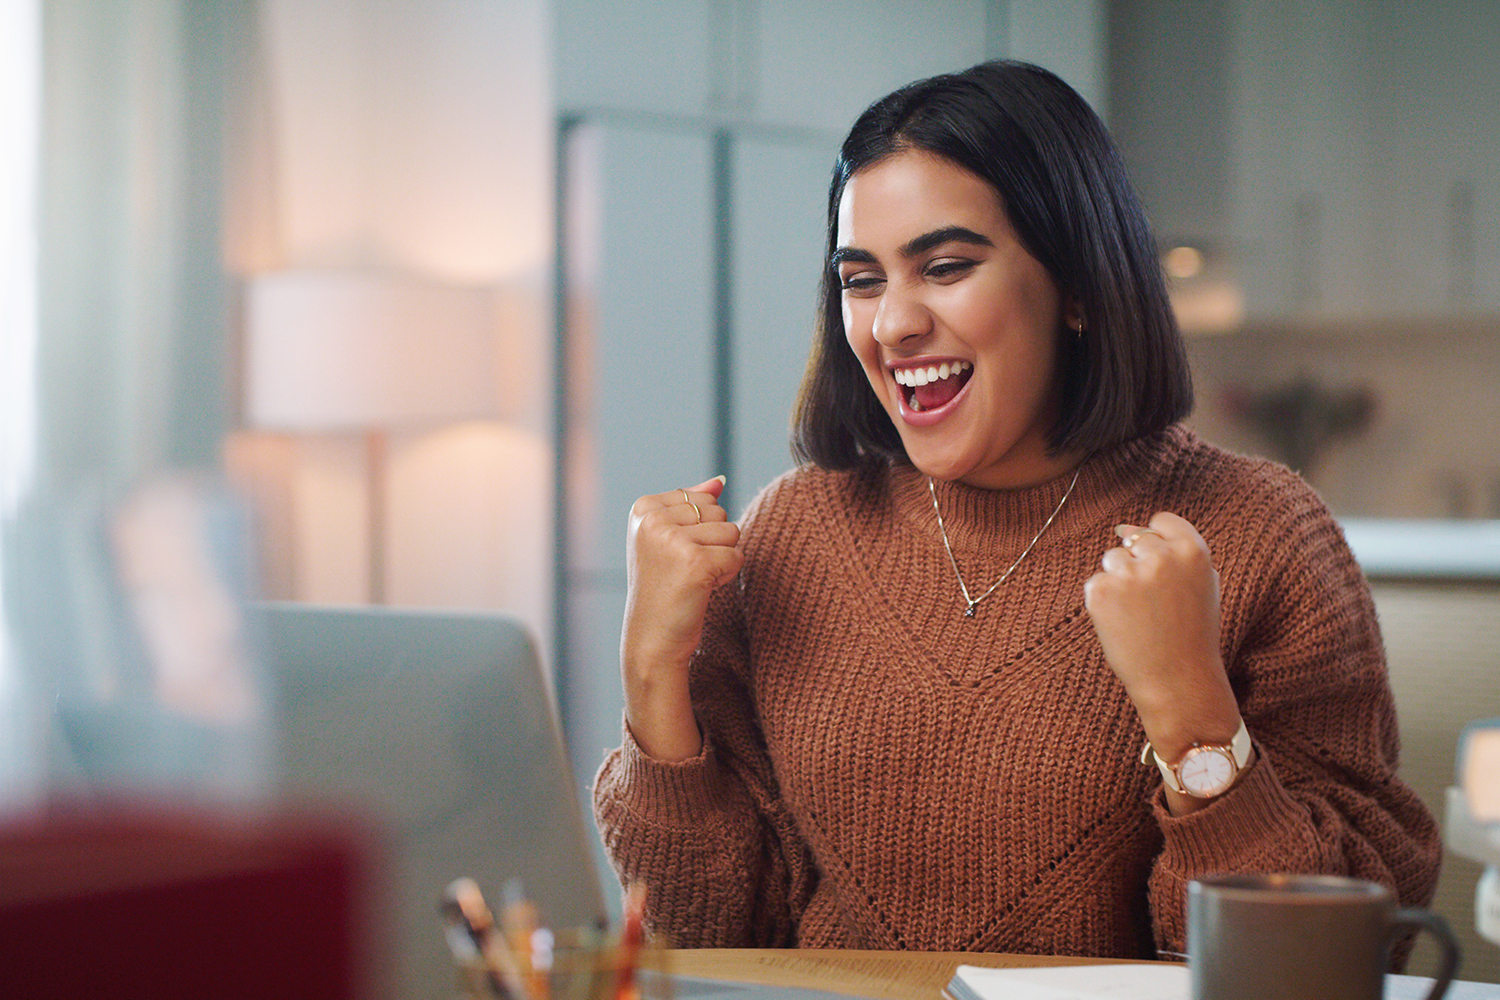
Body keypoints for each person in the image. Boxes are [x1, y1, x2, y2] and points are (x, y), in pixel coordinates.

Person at [592, 60, 1440, 961]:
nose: (892, 325)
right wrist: (651, 670)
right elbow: (706, 935)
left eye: (946, 266)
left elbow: (1336, 959)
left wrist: (1191, 709)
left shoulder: (1263, 532)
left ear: (1076, 285)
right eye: (861, 279)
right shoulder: (790, 533)